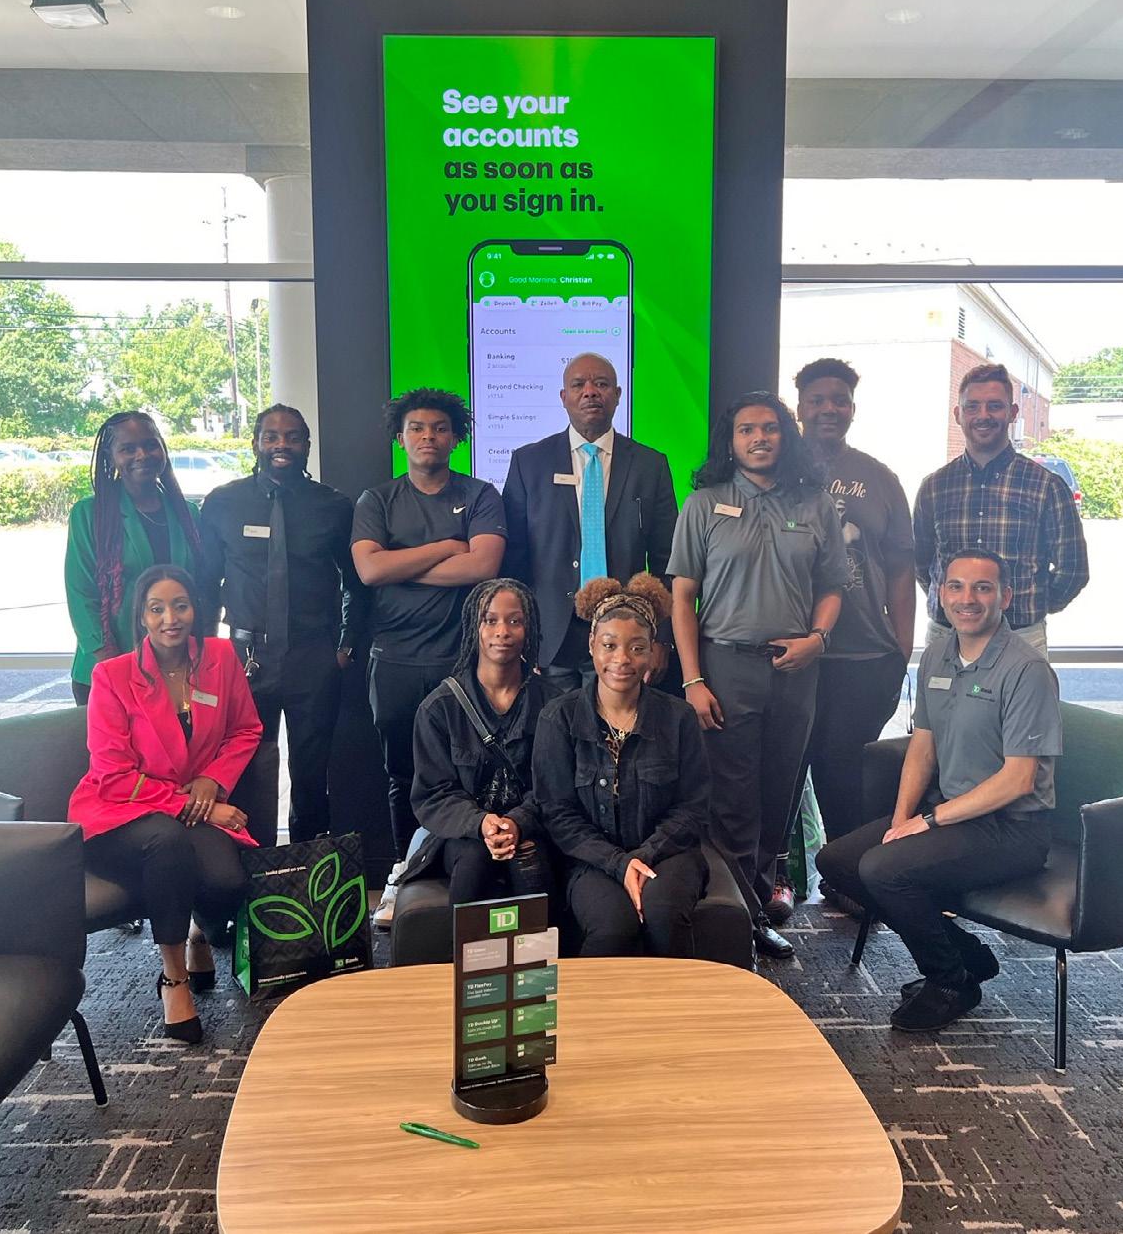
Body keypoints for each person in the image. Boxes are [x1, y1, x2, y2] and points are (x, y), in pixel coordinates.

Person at [815, 549, 1060, 1032]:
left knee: (884, 871)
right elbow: (922, 747)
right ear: (941, 595)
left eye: (983, 588)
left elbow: (1019, 779)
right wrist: (901, 820)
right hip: (950, 815)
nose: (968, 599)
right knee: (837, 862)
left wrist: (927, 822)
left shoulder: (1026, 670)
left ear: (1005, 597)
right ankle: (966, 956)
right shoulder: (938, 655)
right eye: (956, 586)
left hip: (1013, 829)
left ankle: (950, 982)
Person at [667, 390, 848, 960]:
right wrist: (693, 680)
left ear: (785, 436)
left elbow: (833, 586)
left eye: (769, 428)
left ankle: (758, 906)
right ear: (730, 441)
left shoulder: (816, 503)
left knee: (778, 794)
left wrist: (818, 640)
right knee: (731, 800)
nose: (759, 438)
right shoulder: (704, 504)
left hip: (795, 670)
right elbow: (682, 597)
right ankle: (734, 916)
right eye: (746, 430)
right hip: (725, 667)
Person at [68, 565, 262, 1045]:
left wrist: (213, 779)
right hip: (120, 809)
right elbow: (113, 774)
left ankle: (198, 931)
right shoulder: (112, 676)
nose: (169, 619)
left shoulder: (220, 657)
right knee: (167, 843)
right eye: (156, 609)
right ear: (141, 617)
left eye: (180, 606)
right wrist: (200, 806)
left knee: (227, 880)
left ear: (196, 609)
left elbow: (245, 730)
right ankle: (174, 978)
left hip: (189, 804)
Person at [767, 358, 915, 921]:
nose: (829, 408)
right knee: (785, 766)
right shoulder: (775, 470)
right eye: (818, 399)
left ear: (852, 408)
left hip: (864, 654)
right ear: (800, 407)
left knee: (844, 769)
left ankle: (845, 877)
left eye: (840, 400)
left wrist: (902, 645)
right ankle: (775, 876)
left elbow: (901, 566)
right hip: (790, 650)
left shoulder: (879, 478)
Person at [352, 388, 507, 917]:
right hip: (394, 659)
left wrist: (400, 563)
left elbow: (483, 566)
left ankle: (466, 874)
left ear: (456, 437)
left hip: (462, 663)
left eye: (439, 428)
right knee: (403, 776)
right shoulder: (377, 501)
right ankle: (406, 872)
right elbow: (369, 570)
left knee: (469, 774)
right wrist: (445, 547)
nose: (428, 437)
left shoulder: (481, 494)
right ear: (400, 438)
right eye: (416, 428)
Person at [198, 404, 363, 842]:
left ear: (307, 445)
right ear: (256, 443)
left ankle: (307, 869)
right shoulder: (222, 503)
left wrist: (346, 646)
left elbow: (357, 583)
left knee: (312, 772)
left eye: (292, 437)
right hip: (245, 656)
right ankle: (252, 866)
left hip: (313, 655)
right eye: (271, 436)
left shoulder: (333, 506)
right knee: (249, 768)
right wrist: (204, 654)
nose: (281, 445)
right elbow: (205, 583)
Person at [534, 573, 709, 957]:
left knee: (662, 915)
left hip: (668, 854)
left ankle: (678, 999)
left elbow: (693, 807)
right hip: (590, 859)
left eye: (637, 648)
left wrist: (643, 856)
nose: (622, 660)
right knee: (613, 927)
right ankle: (595, 1001)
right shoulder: (558, 718)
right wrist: (617, 863)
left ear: (652, 652)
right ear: (592, 645)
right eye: (609, 645)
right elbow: (557, 814)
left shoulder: (678, 717)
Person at [501, 352, 679, 691]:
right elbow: (515, 556)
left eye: (601, 384)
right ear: (563, 397)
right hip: (550, 635)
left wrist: (662, 637)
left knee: (618, 723)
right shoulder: (529, 462)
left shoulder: (650, 465)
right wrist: (519, 630)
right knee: (554, 723)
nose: (590, 391)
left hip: (626, 634)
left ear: (618, 395)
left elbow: (666, 558)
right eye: (578, 384)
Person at [914, 362, 1088, 658]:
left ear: (1012, 413)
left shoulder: (1046, 486)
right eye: (972, 406)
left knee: (1024, 695)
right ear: (958, 414)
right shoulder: (935, 487)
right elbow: (921, 563)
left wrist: (1032, 605)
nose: (983, 415)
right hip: (947, 635)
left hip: (1020, 636)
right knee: (940, 693)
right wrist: (955, 604)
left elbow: (1073, 569)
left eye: (994, 406)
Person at [404, 578, 557, 905]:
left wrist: (518, 822)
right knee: (474, 863)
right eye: (490, 620)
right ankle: (463, 941)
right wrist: (481, 823)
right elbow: (433, 794)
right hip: (465, 833)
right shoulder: (439, 708)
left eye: (514, 621)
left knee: (530, 863)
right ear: (474, 628)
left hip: (534, 826)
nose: (502, 631)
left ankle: (544, 942)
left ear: (529, 629)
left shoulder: (553, 705)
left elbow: (556, 788)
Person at [65, 412, 202, 705]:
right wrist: (118, 667)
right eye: (128, 448)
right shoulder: (90, 514)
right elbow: (81, 596)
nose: (142, 455)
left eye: (151, 445)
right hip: (109, 668)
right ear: (110, 457)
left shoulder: (187, 513)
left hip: (175, 669)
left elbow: (200, 589)